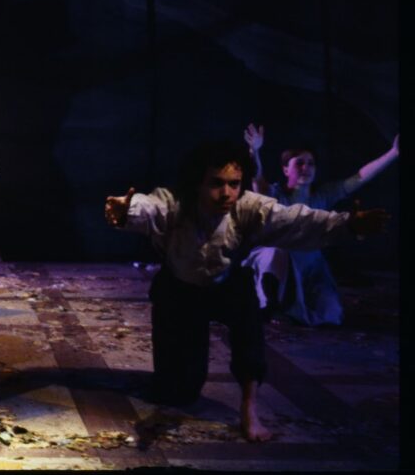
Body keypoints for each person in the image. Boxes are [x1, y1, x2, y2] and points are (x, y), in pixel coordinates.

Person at [104, 140, 389, 441]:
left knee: (248, 318)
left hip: (226, 285)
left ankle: (249, 406)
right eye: (216, 183)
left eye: (234, 184)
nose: (226, 193)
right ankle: (179, 379)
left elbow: (296, 219)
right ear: (198, 183)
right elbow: (149, 207)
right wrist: (126, 210)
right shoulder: (175, 201)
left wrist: (349, 224)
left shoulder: (249, 206)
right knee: (179, 391)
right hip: (181, 290)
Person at [242, 123, 400, 325]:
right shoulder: (275, 193)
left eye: (311, 163)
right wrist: (254, 150)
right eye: (299, 163)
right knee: (275, 254)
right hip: (278, 261)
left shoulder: (322, 195)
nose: (306, 168)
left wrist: (394, 153)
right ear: (285, 169)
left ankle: (293, 308)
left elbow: (359, 178)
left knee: (331, 315)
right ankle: (270, 303)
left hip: (311, 267)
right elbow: (257, 178)